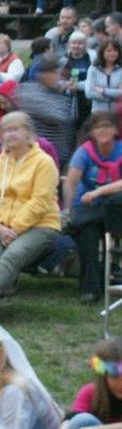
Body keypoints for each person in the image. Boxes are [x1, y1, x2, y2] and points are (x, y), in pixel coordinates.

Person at [0, 112, 61, 311]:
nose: (10, 134)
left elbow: (40, 201)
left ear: (29, 134)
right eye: (5, 130)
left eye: (15, 129)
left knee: (12, 256)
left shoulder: (44, 162)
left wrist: (14, 228)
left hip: (39, 224)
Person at [64, 112, 122, 304]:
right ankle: (90, 289)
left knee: (113, 209)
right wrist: (67, 210)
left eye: (107, 126)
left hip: (113, 208)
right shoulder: (84, 152)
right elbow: (71, 183)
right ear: (91, 132)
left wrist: (99, 192)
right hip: (87, 208)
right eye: (98, 127)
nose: (103, 130)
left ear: (115, 130)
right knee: (87, 235)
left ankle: (109, 280)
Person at [86, 38, 122, 112]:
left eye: (115, 51)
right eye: (109, 50)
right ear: (102, 52)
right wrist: (114, 95)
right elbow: (89, 93)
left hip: (117, 113)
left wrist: (104, 91)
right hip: (99, 113)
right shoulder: (93, 69)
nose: (112, 53)